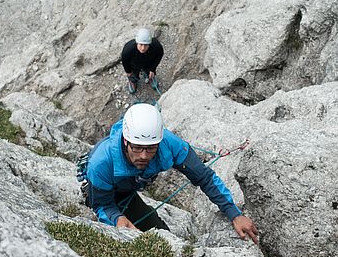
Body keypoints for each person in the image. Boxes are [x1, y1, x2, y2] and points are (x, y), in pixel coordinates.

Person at [86, 103, 258, 244]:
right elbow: (103, 204)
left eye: (151, 148)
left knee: (163, 238)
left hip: (128, 188)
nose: (144, 156)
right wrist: (117, 218)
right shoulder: (101, 162)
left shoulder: (171, 145)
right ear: (125, 141)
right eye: (137, 148)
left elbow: (204, 178)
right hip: (111, 192)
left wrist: (234, 213)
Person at [121, 28, 164, 94]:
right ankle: (133, 81)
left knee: (149, 72)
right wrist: (128, 72)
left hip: (148, 63)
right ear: (137, 42)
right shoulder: (128, 50)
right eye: (141, 44)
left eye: (146, 45)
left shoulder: (156, 46)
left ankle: (150, 76)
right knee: (133, 75)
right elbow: (125, 61)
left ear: (149, 43)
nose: (143, 48)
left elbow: (159, 55)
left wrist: (152, 69)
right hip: (134, 64)